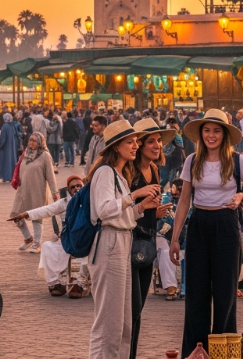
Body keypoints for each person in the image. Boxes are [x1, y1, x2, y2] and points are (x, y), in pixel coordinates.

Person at [168, 108, 243, 357]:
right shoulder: (192, 160)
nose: (211, 135)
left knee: (225, 294)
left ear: (225, 134)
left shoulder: (238, 161)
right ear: (201, 134)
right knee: (196, 294)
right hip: (199, 223)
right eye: (207, 131)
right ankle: (196, 351)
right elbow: (184, 201)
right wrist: (176, 238)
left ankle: (223, 352)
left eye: (216, 131)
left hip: (226, 223)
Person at [87, 119, 159, 358]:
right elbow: (105, 210)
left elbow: (122, 214)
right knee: (109, 323)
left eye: (136, 141)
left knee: (124, 323)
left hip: (122, 240)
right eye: (130, 142)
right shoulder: (105, 172)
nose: (135, 146)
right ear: (116, 146)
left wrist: (141, 208)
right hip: (109, 244)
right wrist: (135, 195)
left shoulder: (119, 174)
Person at [128, 118, 175, 358]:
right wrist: (147, 210)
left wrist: (154, 213)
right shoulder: (129, 171)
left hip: (147, 242)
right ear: (138, 145)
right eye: (151, 141)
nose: (157, 146)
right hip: (128, 243)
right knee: (130, 307)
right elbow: (122, 209)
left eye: (158, 141)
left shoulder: (155, 169)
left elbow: (147, 208)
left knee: (139, 309)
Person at [8, 175, 91, 298]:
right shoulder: (65, 203)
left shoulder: (90, 200)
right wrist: (25, 214)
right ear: (68, 190)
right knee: (47, 246)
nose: (76, 189)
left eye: (79, 186)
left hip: (86, 242)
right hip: (68, 242)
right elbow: (47, 210)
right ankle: (56, 284)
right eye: (73, 187)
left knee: (92, 249)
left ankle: (80, 284)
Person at [9, 132, 57, 252]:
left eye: (34, 141)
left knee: (36, 217)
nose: (31, 143)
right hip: (23, 190)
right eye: (30, 140)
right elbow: (20, 168)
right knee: (16, 214)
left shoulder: (45, 155)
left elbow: (50, 175)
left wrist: (54, 192)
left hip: (37, 190)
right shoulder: (26, 153)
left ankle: (37, 243)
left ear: (40, 143)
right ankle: (28, 238)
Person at [160, 117, 185, 188]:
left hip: (166, 158)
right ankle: (172, 191)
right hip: (175, 159)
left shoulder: (165, 134)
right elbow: (181, 146)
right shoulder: (176, 134)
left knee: (165, 178)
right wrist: (184, 158)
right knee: (172, 179)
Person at [0, 115, 19, 183]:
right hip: (12, 147)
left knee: (5, 162)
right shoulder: (13, 126)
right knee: (11, 161)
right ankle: (12, 176)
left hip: (5, 148)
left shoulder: (5, 126)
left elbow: (3, 139)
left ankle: (5, 176)